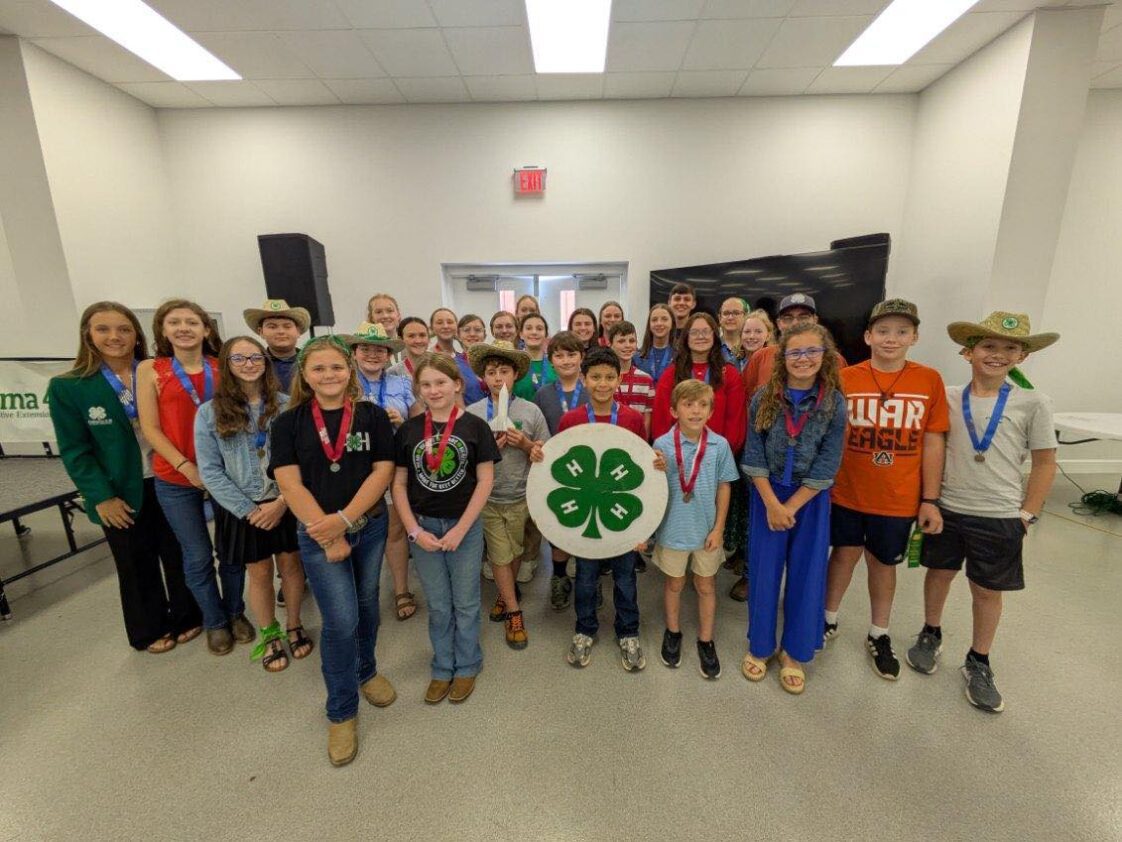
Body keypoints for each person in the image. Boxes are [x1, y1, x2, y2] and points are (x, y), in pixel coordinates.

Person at [906, 312, 1058, 714]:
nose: (998, 354)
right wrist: (931, 499)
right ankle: (930, 631)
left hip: (1000, 512)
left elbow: (1045, 462)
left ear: (1021, 356)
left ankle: (979, 659)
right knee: (938, 574)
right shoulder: (950, 396)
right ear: (968, 351)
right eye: (989, 346)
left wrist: (1028, 515)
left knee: (987, 590)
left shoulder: (1034, 402)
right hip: (949, 506)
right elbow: (933, 447)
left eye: (1010, 348)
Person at [271, 335, 397, 766]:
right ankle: (341, 711)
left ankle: (367, 670)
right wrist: (328, 532)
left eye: (337, 368)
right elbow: (289, 484)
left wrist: (345, 521)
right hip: (317, 534)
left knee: (368, 606)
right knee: (341, 620)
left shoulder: (371, 416)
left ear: (350, 371)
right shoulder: (287, 424)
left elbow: (382, 471)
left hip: (370, 527)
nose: (330, 375)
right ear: (304, 375)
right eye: (319, 369)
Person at [48, 302, 201, 653]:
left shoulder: (156, 372)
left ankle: (187, 615)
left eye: (124, 329)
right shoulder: (70, 386)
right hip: (119, 488)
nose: (114, 337)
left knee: (177, 550)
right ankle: (148, 628)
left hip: (168, 477)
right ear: (88, 334)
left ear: (137, 335)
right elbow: (75, 450)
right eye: (103, 329)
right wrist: (100, 495)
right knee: (135, 561)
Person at [823, 300, 949, 680]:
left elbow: (933, 441)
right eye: (882, 331)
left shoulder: (928, 380)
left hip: (898, 496)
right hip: (846, 489)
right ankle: (827, 619)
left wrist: (930, 499)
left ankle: (879, 632)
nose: (891, 339)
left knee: (883, 562)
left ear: (914, 336)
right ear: (868, 336)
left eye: (900, 331)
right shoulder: (848, 378)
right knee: (843, 555)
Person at [137, 299, 250, 656]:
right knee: (197, 554)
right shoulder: (151, 370)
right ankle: (214, 621)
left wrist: (214, 472)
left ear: (206, 329)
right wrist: (187, 468)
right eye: (175, 322)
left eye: (191, 322)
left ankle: (235, 613)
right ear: (163, 330)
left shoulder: (222, 368)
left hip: (225, 474)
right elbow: (150, 428)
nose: (183, 328)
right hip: (176, 475)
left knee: (231, 552)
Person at [740, 323, 847, 695]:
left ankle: (795, 652)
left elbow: (828, 463)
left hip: (810, 498)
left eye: (811, 352)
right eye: (795, 353)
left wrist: (793, 505)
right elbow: (753, 454)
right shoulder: (762, 398)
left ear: (824, 357)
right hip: (767, 494)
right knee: (764, 571)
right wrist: (772, 503)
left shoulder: (834, 402)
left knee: (807, 573)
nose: (803, 359)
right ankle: (761, 646)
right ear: (782, 358)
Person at [194, 336, 310, 672]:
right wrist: (250, 510)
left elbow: (304, 458)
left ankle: (293, 623)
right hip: (243, 508)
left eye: (255, 356)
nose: (248, 364)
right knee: (259, 573)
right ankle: (269, 633)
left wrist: (283, 501)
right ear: (226, 365)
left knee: (291, 566)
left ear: (266, 361)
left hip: (287, 501)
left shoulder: (288, 405)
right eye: (239, 358)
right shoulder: (208, 413)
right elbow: (211, 472)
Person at [392, 354, 500, 705]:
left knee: (466, 602)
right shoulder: (409, 430)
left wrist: (461, 530)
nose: (434, 390)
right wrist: (413, 531)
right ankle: (442, 666)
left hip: (463, 528)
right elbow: (398, 485)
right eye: (426, 384)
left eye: (441, 382)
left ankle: (467, 663)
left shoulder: (475, 426)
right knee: (438, 604)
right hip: (423, 528)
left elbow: (485, 481)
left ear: (457, 384)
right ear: (418, 390)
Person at [559, 348, 663, 672]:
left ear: (619, 379)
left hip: (619, 513)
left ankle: (628, 631)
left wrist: (657, 463)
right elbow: (561, 469)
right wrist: (540, 457)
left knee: (625, 578)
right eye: (595, 377)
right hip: (586, 514)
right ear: (583, 379)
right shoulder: (571, 420)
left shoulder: (631, 418)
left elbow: (639, 471)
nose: (602, 384)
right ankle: (584, 628)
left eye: (609, 377)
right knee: (586, 578)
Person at [652, 380, 739, 679]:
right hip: (672, 530)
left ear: (711, 412)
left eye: (702, 405)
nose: (695, 410)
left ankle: (706, 639)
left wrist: (719, 528)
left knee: (706, 586)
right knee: (674, 584)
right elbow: (652, 489)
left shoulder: (719, 445)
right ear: (673, 410)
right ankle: (673, 632)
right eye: (688, 404)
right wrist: (657, 470)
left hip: (706, 533)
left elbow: (725, 486)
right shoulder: (662, 445)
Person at [465, 341, 549, 649]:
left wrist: (526, 445)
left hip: (520, 495)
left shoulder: (531, 411)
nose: (498, 378)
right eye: (491, 372)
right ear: (483, 378)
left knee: (513, 552)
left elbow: (545, 452)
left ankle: (504, 593)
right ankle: (515, 611)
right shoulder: (471, 414)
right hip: (488, 497)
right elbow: (464, 458)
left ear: (515, 375)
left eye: (504, 371)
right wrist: (486, 450)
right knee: (500, 553)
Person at [345, 322, 422, 622]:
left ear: (389, 353)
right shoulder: (344, 383)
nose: (373, 354)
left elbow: (420, 427)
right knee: (353, 526)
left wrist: (399, 424)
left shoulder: (402, 382)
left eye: (380, 349)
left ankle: (401, 589)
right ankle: (356, 591)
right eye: (366, 348)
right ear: (354, 352)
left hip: (395, 466)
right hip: (353, 468)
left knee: (394, 528)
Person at [532, 330, 589, 610]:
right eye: (559, 355)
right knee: (560, 526)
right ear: (550, 360)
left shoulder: (592, 389)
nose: (565, 360)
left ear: (582, 357)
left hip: (590, 470)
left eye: (571, 354)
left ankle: (589, 578)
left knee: (587, 524)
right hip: (557, 472)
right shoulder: (543, 394)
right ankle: (558, 576)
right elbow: (538, 432)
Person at [727, 307, 777, 601]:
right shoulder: (733, 361)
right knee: (741, 504)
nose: (752, 336)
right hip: (738, 442)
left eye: (758, 331)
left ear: (768, 334)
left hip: (761, 448)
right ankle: (740, 553)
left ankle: (750, 572)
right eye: (747, 331)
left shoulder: (774, 362)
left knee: (757, 509)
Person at [651, 312, 746, 456]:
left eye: (706, 332)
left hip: (717, 457)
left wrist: (721, 454)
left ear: (714, 336)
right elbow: (660, 421)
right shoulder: (671, 375)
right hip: (676, 457)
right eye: (694, 332)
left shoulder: (729, 374)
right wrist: (671, 453)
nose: (700, 337)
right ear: (686, 338)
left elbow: (735, 423)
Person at [741, 293, 846, 399]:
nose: (795, 323)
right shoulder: (760, 357)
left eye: (803, 317)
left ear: (815, 321)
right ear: (779, 323)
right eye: (788, 318)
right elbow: (745, 401)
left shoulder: (835, 360)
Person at [243, 298, 310, 392]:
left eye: (287, 326)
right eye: (272, 327)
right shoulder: (252, 364)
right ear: (261, 332)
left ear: (298, 331)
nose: (281, 331)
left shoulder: (311, 361)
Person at [609, 321, 655, 440]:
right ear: (610, 344)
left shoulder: (646, 380)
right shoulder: (606, 379)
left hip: (637, 441)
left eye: (632, 341)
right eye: (621, 341)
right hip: (609, 438)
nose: (627, 345)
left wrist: (642, 445)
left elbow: (647, 419)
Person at [512, 312, 554, 400]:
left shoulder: (554, 363)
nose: (534, 332)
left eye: (539, 329)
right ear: (521, 334)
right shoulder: (514, 364)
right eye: (528, 328)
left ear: (546, 334)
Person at [636, 303, 675, 385]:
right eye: (654, 320)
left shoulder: (679, 356)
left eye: (664, 319)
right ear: (649, 325)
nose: (659, 323)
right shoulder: (636, 357)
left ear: (672, 324)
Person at [454, 314, 488, 405]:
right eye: (466, 330)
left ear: (484, 335)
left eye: (477, 330)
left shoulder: (494, 361)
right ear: (458, 335)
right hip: (468, 417)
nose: (472, 334)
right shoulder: (453, 365)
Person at [387, 316, 430, 381]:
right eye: (411, 336)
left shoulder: (441, 367)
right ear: (400, 339)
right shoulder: (393, 373)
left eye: (422, 335)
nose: (418, 341)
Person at [718, 297, 748, 369]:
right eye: (726, 313)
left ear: (745, 317)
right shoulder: (712, 346)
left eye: (736, 313)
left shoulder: (752, 346)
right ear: (719, 318)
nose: (730, 317)